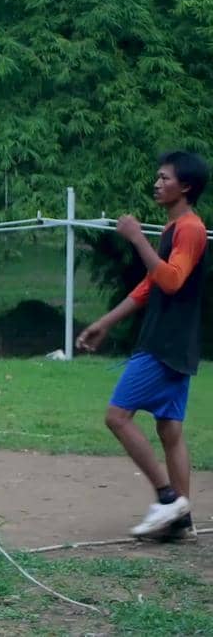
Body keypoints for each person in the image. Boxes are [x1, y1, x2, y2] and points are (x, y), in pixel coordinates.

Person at [78, 150, 208, 540]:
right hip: (172, 342)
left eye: (165, 178)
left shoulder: (190, 228)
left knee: (117, 417)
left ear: (185, 186)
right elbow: (148, 288)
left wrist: (137, 239)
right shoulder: (173, 230)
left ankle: (168, 499)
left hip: (165, 343)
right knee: (170, 429)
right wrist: (103, 322)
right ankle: (181, 522)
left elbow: (170, 280)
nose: (157, 183)